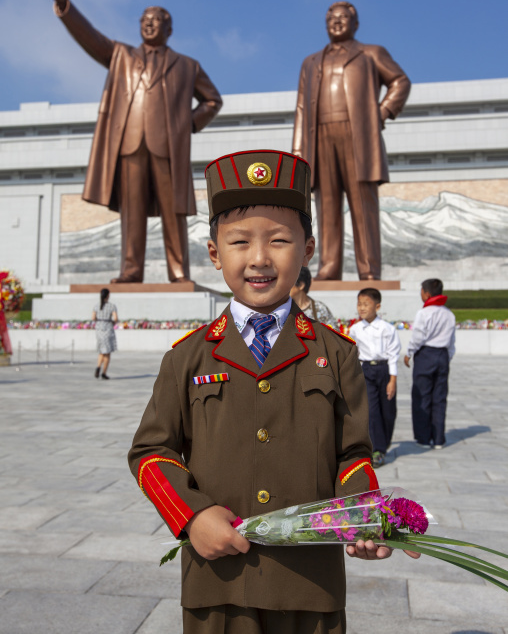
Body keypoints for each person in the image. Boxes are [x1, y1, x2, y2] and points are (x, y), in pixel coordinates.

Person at [128, 149, 418, 634]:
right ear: (215, 253)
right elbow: (151, 452)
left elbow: (353, 454)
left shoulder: (335, 352)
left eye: (280, 240)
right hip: (217, 583)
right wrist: (192, 517)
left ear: (306, 251)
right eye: (239, 242)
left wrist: (363, 512)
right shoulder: (188, 356)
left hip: (310, 581)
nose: (259, 258)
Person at [39, 0, 222, 283]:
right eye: (144, 19)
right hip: (130, 142)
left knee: (173, 211)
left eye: (155, 19)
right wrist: (65, 5)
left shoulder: (187, 66)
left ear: (169, 28)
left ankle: (178, 272)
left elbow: (212, 100)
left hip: (167, 146)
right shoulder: (121, 55)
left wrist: (186, 125)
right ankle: (131, 270)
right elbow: (91, 37)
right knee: (132, 211)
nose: (148, 23)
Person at [292, 1, 410, 281]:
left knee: (362, 204)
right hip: (320, 136)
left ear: (355, 24)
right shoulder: (310, 62)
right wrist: (298, 153)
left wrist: (381, 113)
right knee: (327, 204)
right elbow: (300, 108)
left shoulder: (370, 53)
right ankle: (329, 267)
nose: (337, 22)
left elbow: (400, 81)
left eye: (343, 17)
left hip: (358, 135)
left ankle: (369, 269)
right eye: (331, 18)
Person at [349, 288, 401, 468]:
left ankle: (384, 442)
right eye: (359, 304)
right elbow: (353, 353)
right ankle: (376, 450)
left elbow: (393, 354)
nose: (361, 308)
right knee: (371, 410)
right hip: (365, 371)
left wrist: (392, 380)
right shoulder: (354, 329)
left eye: (366, 304)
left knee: (388, 411)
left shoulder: (387, 329)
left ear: (377, 306)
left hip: (384, 370)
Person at [404, 279, 456, 449]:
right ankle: (439, 438)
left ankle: (424, 438)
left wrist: (409, 352)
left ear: (426, 293)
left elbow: (418, 336)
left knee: (422, 396)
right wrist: (446, 358)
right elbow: (451, 342)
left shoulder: (424, 313)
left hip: (426, 355)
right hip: (441, 355)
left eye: (421, 291)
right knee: (439, 398)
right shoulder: (449, 313)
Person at [92, 288, 118, 380]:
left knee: (101, 351)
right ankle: (104, 372)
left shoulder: (96, 306)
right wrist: (112, 322)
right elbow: (115, 318)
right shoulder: (111, 306)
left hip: (99, 329)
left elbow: (93, 318)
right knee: (107, 352)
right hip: (108, 328)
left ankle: (98, 366)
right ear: (108, 295)